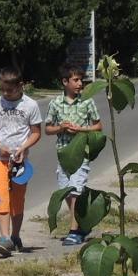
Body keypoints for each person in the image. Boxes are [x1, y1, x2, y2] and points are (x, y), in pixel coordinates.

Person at [0, 67, 43, 257]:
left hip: (19, 161)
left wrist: (23, 148)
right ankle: (4, 237)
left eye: (10, 90)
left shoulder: (30, 105)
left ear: (20, 86)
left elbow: (36, 132)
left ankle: (15, 235)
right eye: (3, 90)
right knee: (1, 196)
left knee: (17, 199)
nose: (6, 94)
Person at [45, 63, 102, 246]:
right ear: (65, 82)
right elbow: (47, 129)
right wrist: (61, 127)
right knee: (67, 191)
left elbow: (98, 126)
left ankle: (74, 230)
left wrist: (81, 129)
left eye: (81, 80)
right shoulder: (55, 103)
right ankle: (82, 223)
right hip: (63, 154)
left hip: (82, 153)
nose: (80, 84)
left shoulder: (87, 102)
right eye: (75, 80)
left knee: (76, 189)